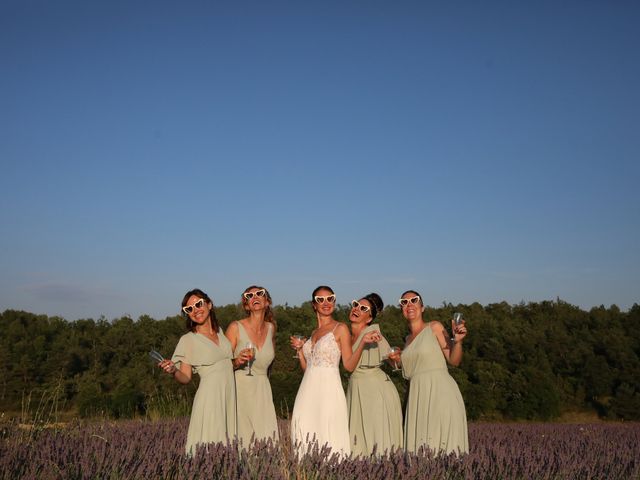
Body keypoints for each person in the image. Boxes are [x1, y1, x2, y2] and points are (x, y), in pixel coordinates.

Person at [289, 286, 380, 458]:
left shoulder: (340, 328)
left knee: (328, 436)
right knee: (302, 432)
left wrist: (362, 343)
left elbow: (349, 365)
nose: (326, 303)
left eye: (330, 298)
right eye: (320, 300)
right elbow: (307, 369)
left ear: (334, 302)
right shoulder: (314, 332)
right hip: (306, 392)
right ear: (313, 305)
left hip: (329, 391)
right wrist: (300, 350)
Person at [388, 290, 469, 455]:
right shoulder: (407, 340)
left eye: (414, 300)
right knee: (420, 450)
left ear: (422, 307)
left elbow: (453, 360)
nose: (409, 304)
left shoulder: (434, 327)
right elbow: (409, 370)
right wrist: (395, 360)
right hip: (418, 396)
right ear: (402, 309)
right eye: (404, 302)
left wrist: (458, 342)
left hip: (440, 392)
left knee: (444, 447)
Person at [157, 288, 237, 455]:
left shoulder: (221, 333)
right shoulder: (188, 340)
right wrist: (173, 370)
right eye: (189, 309)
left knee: (229, 447)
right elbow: (185, 377)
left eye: (198, 304)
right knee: (210, 447)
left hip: (229, 396)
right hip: (209, 399)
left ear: (209, 304)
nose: (195, 310)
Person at [346, 293, 403, 456]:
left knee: (376, 437)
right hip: (355, 388)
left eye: (363, 308)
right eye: (356, 304)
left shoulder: (373, 333)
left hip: (375, 391)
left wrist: (395, 358)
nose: (357, 309)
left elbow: (393, 361)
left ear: (369, 318)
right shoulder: (346, 335)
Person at [225, 285, 279, 448]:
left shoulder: (271, 328)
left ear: (267, 301)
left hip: (263, 390)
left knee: (266, 440)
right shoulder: (235, 327)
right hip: (240, 389)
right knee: (243, 441)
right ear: (246, 305)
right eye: (249, 295)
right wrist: (236, 361)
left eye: (259, 294)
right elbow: (222, 364)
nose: (254, 297)